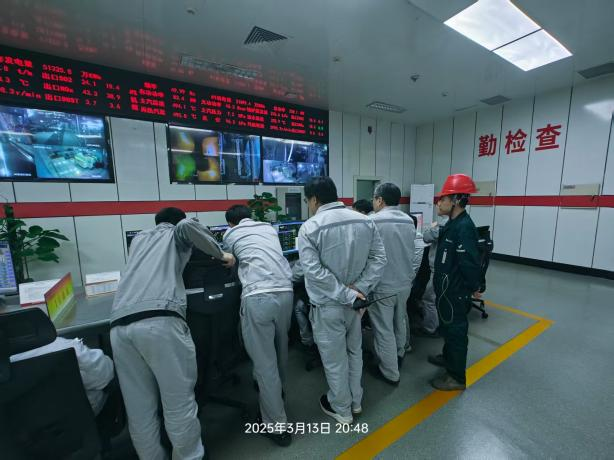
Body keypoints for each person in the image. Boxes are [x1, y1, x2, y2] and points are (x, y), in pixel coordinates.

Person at [110, 207, 235, 460]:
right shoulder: (177, 230)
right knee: (178, 403)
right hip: (159, 320)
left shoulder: (139, 239)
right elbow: (187, 227)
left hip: (119, 325)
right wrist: (223, 254)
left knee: (139, 409)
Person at [298, 177, 386, 424]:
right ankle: (355, 402)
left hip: (328, 306)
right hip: (356, 305)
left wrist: (345, 293)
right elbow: (379, 259)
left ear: (314, 199)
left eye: (307, 201)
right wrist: (359, 289)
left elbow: (313, 272)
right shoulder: (364, 220)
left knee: (335, 360)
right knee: (354, 353)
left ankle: (342, 409)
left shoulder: (310, 228)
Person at [223, 205, 294, 447]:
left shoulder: (230, 234)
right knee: (280, 350)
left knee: (264, 362)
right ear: (250, 217)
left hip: (258, 295)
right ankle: (277, 393)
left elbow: (228, 261)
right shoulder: (269, 228)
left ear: (230, 223)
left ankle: (276, 425)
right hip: (285, 292)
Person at [429, 174, 481, 391]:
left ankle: (456, 377)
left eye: (443, 198)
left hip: (455, 291)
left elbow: (470, 263)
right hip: (445, 290)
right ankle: (448, 358)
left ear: (457, 200)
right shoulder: (452, 224)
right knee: (447, 327)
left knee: (456, 331)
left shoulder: (464, 227)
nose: (438, 203)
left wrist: (476, 287)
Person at [368, 183, 416, 385]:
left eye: (374, 198)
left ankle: (389, 372)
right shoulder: (408, 220)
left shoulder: (372, 221)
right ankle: (399, 354)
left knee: (383, 329)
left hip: (383, 285)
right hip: (404, 283)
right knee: (400, 320)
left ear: (380, 200)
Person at [10, 336, 114, 416]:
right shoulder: (61, 347)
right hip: (80, 423)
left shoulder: (7, 364)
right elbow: (105, 374)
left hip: (23, 433)